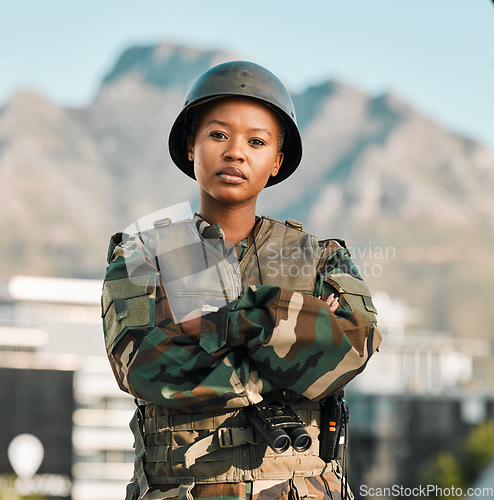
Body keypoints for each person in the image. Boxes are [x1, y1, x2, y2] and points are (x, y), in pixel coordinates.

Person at [102, 61, 382, 500]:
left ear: (276, 162)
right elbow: (144, 366)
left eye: (256, 141)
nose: (235, 152)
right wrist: (298, 338)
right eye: (217, 135)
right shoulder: (142, 255)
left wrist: (238, 322)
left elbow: (354, 348)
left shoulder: (321, 256)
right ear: (191, 146)